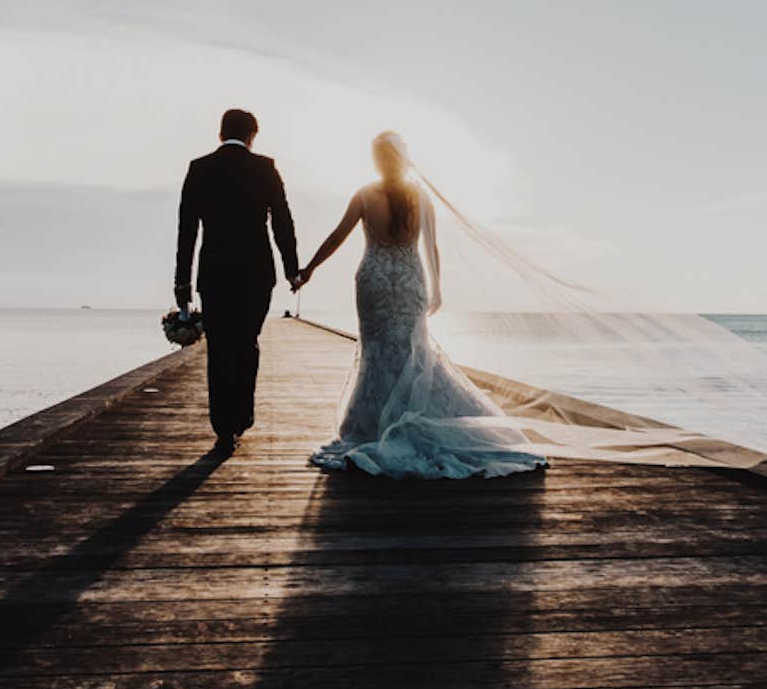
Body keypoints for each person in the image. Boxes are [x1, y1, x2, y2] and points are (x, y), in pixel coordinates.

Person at [294, 131, 543, 479]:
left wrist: (308, 269)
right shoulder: (420, 197)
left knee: (376, 352)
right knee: (412, 351)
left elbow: (337, 236)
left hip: (374, 280)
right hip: (410, 280)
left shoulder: (364, 195)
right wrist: (436, 288)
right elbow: (432, 247)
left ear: (376, 161)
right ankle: (415, 420)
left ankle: (373, 425)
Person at [175, 109, 298, 454]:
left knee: (219, 349)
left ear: (220, 134)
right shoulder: (265, 168)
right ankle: (241, 416)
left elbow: (187, 229)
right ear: (252, 136)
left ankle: (223, 429)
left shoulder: (200, 169)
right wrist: (291, 268)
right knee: (246, 342)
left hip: (214, 273)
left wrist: (182, 282)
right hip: (256, 273)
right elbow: (282, 221)